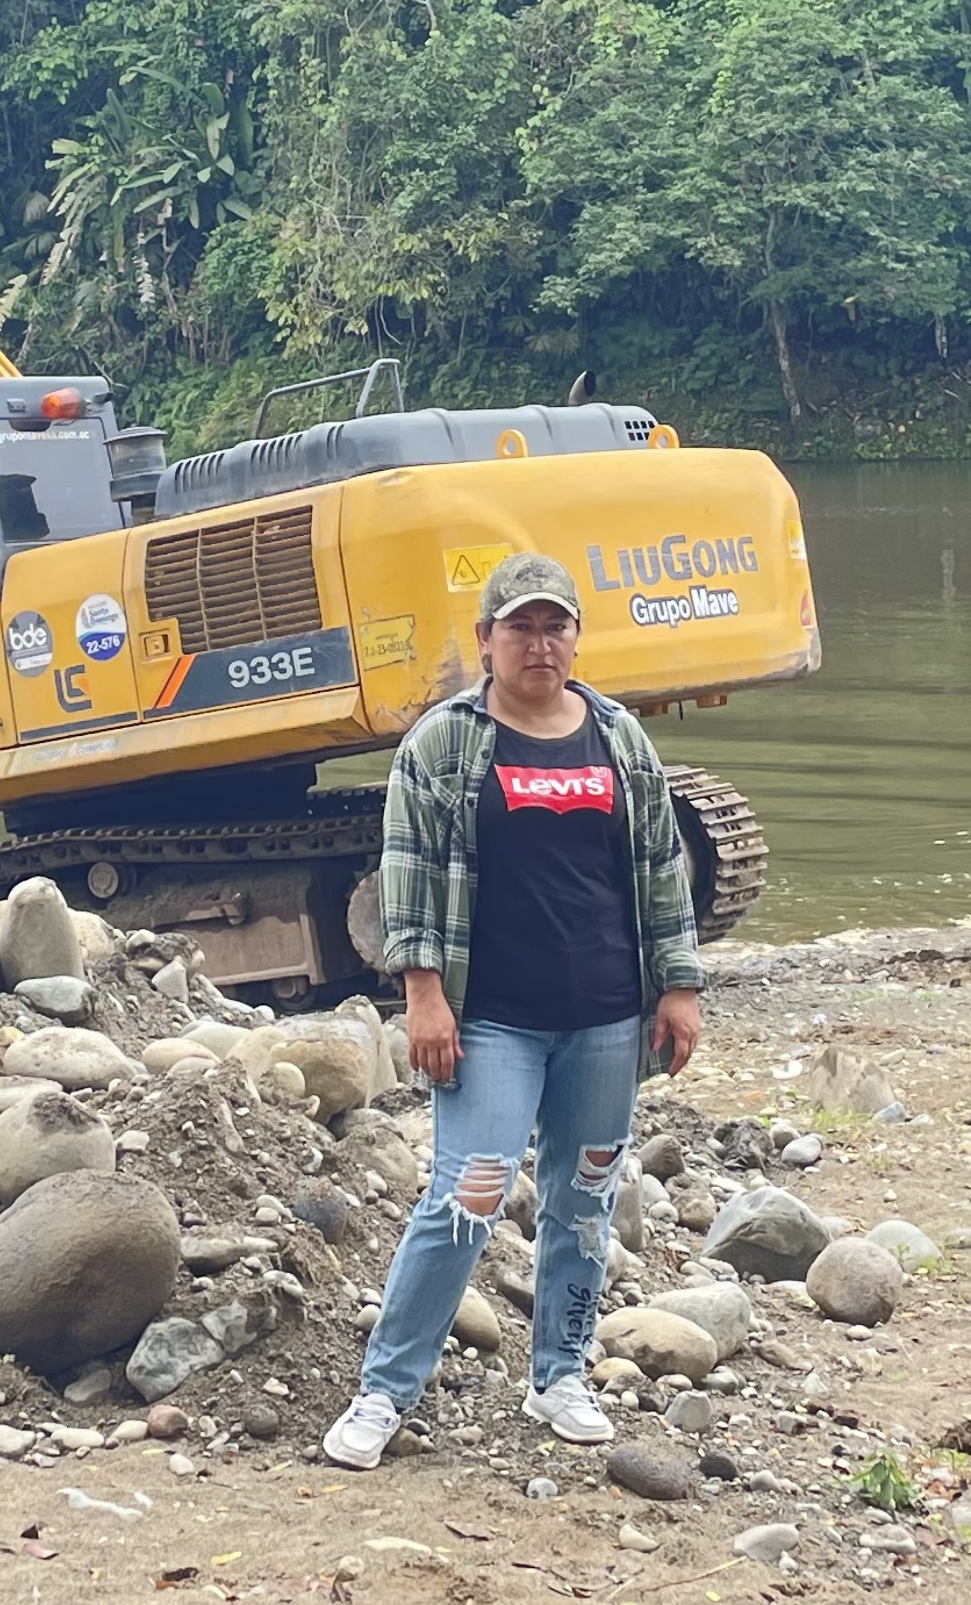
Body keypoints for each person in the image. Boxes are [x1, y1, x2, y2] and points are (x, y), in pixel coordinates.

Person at [319, 551, 705, 1469]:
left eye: (554, 625)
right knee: (469, 1195)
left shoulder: (617, 737)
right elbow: (408, 873)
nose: (539, 644)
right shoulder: (444, 744)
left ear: (575, 636)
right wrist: (423, 997)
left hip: (604, 1016)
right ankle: (385, 1391)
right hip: (489, 1017)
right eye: (520, 627)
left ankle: (559, 1375)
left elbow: (660, 866)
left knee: (585, 1200)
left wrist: (679, 985)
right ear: (485, 639)